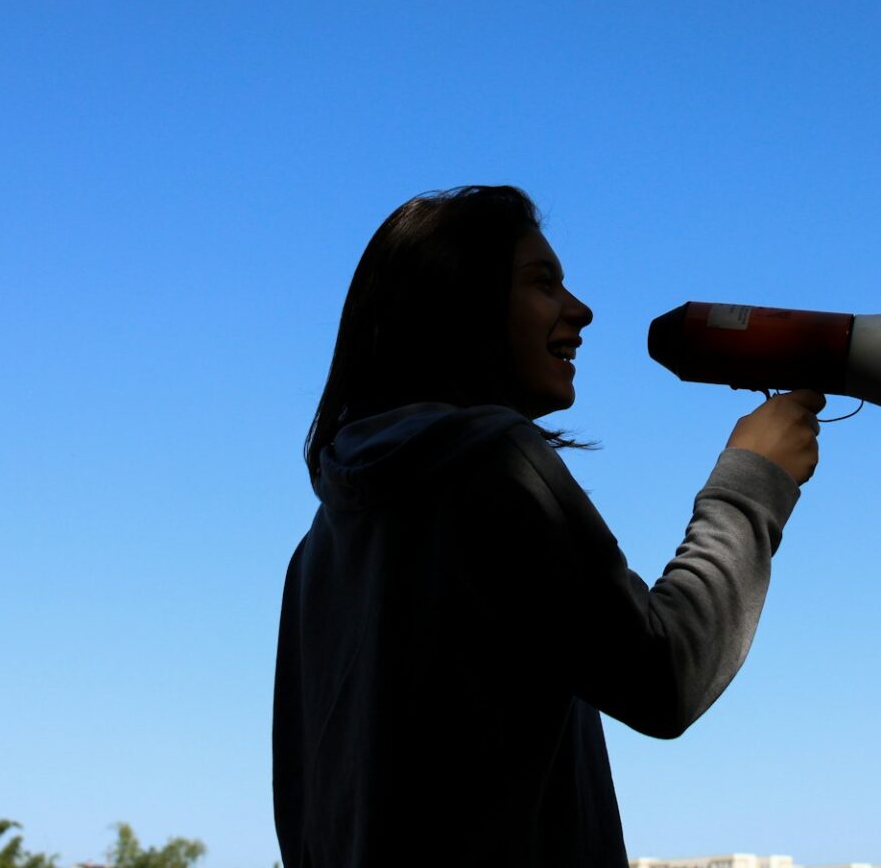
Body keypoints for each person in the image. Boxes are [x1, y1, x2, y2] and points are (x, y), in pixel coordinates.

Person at [272, 185, 824, 867]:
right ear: (459, 301)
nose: (581, 310)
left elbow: (304, 809)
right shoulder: (493, 464)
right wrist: (753, 479)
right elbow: (666, 676)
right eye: (543, 282)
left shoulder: (319, 550)